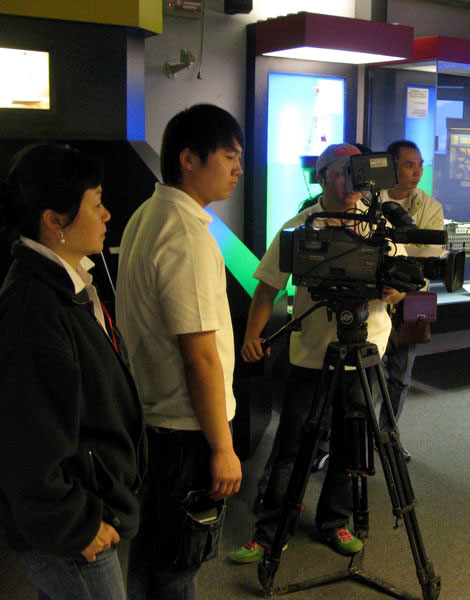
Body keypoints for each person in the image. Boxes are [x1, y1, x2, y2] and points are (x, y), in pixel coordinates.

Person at [228, 143, 405, 564]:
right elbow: (268, 286)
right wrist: (252, 335)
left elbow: (402, 286)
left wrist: (391, 290)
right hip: (312, 355)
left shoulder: (379, 227)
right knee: (292, 446)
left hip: (365, 350)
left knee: (350, 444)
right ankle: (271, 531)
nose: (350, 181)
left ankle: (334, 522)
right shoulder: (299, 226)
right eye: (340, 172)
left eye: (355, 171)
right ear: (322, 177)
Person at [0, 143, 145, 599]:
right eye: (96, 204)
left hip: (83, 511)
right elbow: (26, 443)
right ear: (55, 220)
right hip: (72, 530)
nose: (107, 215)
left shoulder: (67, 285)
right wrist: (75, 525)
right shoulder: (35, 310)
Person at [117, 104, 244, 599]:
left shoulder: (148, 214)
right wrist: (223, 448)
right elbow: (200, 357)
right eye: (229, 156)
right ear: (189, 159)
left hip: (156, 420)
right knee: (178, 564)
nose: (237, 169)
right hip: (187, 430)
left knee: (152, 555)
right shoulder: (186, 233)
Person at [379, 140, 444, 459]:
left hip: (413, 297)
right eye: (409, 165)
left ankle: (387, 437)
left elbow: (428, 256)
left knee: (401, 378)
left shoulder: (430, 207)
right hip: (374, 298)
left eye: (420, 165)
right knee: (366, 376)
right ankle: (355, 440)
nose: (418, 172)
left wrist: (402, 289)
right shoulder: (369, 200)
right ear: (391, 167)